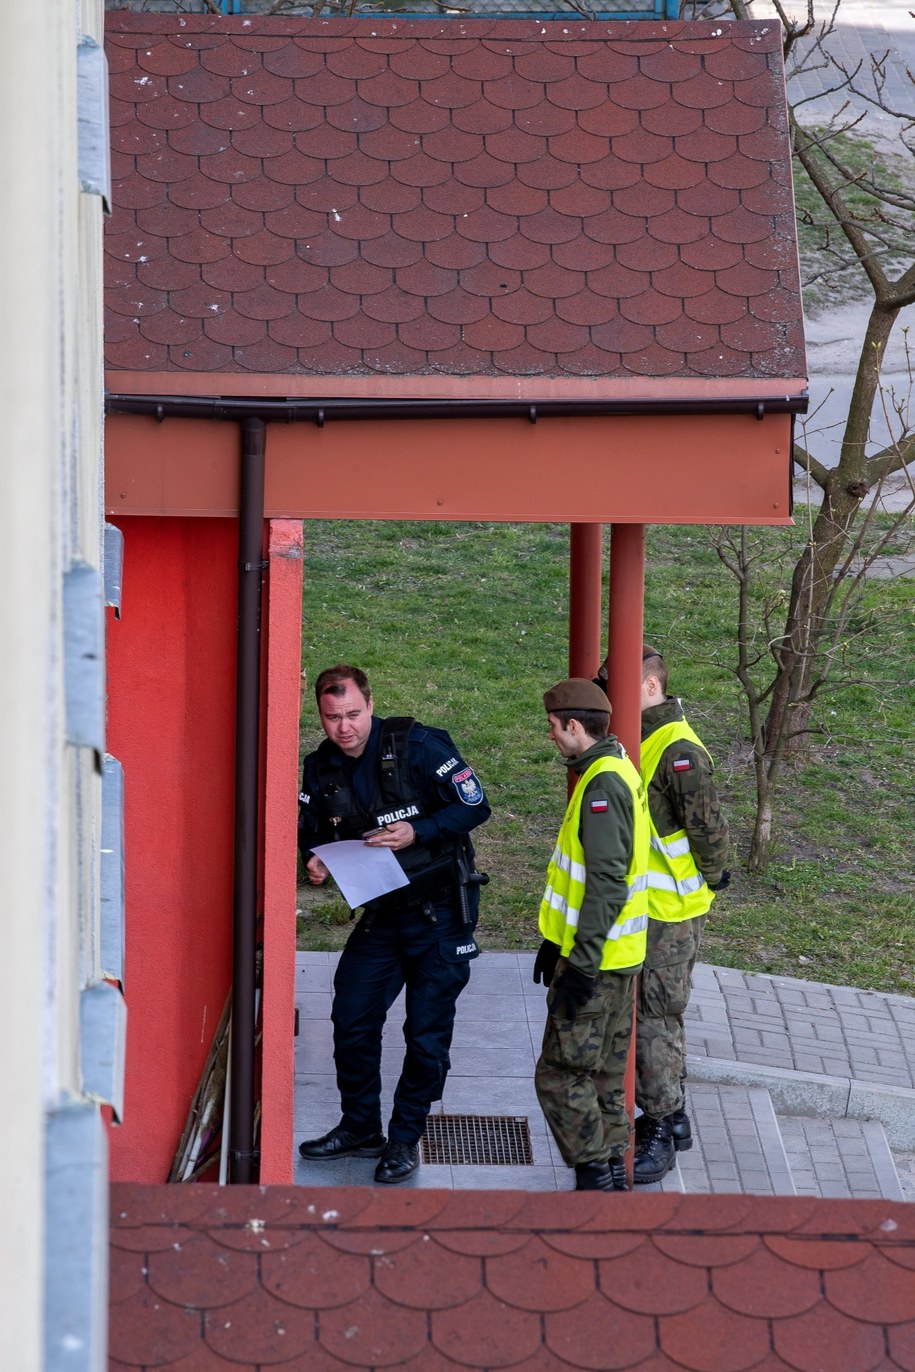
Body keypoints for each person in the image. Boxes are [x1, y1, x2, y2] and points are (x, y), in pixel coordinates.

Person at [297, 665, 490, 1185]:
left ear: (370, 703)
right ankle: (361, 1126)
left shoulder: (419, 746)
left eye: (354, 714)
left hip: (440, 914)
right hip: (382, 915)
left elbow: (475, 804)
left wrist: (418, 830)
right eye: (333, 717)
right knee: (352, 1018)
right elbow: (305, 832)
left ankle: (404, 1139)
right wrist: (313, 860)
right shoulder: (320, 769)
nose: (345, 727)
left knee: (425, 1036)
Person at [602, 645, 730, 1184]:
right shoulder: (645, 739)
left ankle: (659, 1126)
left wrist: (715, 876)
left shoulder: (675, 749)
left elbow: (709, 832)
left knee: (654, 1021)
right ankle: (671, 1115)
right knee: (652, 1018)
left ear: (649, 686)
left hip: (669, 913)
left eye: (617, 689)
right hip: (650, 909)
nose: (609, 702)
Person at [532, 678, 649, 1192]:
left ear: (575, 726)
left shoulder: (601, 785)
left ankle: (595, 1175)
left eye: (554, 728)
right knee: (600, 1074)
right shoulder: (618, 766)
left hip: (596, 966)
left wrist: (578, 961)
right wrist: (556, 940)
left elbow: (606, 880)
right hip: (618, 958)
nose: (552, 737)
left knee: (560, 1075)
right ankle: (611, 1178)